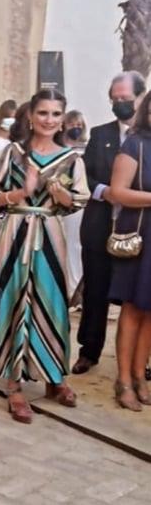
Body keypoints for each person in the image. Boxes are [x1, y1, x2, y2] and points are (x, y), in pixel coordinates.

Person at [0, 89, 90, 424]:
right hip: (16, 231)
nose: (49, 120)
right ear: (30, 116)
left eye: (55, 114)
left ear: (63, 119)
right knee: (13, 298)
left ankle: (53, 377)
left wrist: (63, 195)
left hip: (50, 234)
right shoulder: (13, 153)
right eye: (43, 113)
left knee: (53, 302)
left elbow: (78, 200)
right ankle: (14, 384)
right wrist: (20, 193)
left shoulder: (72, 159)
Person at [74, 71, 148, 375]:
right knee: (95, 291)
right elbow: (85, 174)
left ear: (141, 98)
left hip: (142, 228)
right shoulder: (101, 134)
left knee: (140, 297)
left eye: (125, 99)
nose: (119, 104)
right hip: (100, 225)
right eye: (114, 99)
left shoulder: (147, 138)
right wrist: (105, 192)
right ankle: (89, 351)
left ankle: (140, 361)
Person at [109, 89, 151, 411]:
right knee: (133, 308)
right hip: (140, 235)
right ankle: (123, 379)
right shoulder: (134, 145)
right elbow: (117, 192)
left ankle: (140, 375)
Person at [62, 110, 89, 307]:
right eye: (72, 124)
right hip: (65, 201)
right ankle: (69, 288)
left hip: (83, 202)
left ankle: (79, 289)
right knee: (68, 245)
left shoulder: (86, 148)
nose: (76, 127)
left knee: (79, 245)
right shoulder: (61, 149)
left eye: (79, 124)